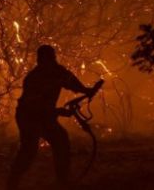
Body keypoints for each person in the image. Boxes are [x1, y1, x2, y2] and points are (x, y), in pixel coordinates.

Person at [7, 44, 96, 189]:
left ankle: (62, 181)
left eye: (52, 58)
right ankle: (12, 183)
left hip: (45, 115)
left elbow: (71, 82)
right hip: (28, 117)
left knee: (61, 141)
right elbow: (34, 107)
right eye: (47, 59)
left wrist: (86, 90)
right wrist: (58, 112)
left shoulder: (58, 71)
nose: (50, 62)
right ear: (40, 60)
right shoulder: (33, 78)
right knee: (29, 151)